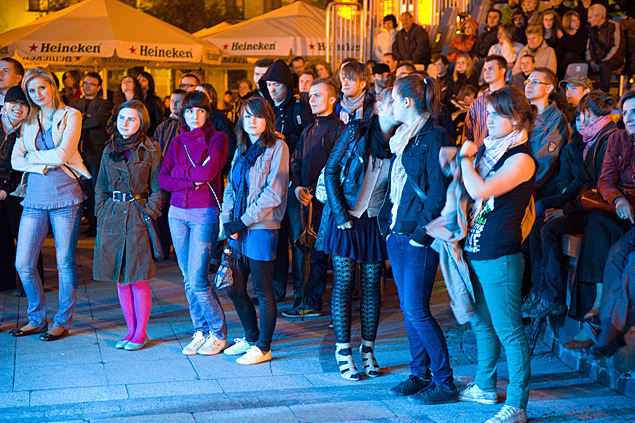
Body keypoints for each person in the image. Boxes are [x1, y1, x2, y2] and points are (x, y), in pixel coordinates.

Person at [459, 86, 536, 423]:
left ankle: (517, 404)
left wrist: (464, 159)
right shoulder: (490, 151)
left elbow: (480, 189)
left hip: (500, 254)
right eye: (487, 114)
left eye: (495, 115)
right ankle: (484, 385)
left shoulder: (521, 159)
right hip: (477, 249)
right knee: (481, 323)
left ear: (516, 119)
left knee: (510, 331)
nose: (487, 121)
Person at [378, 76, 456, 403]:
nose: (391, 106)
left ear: (408, 102)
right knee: (409, 310)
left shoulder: (435, 136)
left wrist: (420, 236)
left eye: (394, 100)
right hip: (397, 231)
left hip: (417, 237)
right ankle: (419, 373)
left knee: (417, 310)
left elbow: (438, 193)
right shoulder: (400, 138)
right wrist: (388, 226)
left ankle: (444, 382)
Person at [10, 67, 88, 341]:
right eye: (31, 91)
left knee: (64, 263)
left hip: (66, 195)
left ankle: (62, 321)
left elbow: (63, 154)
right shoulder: (29, 120)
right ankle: (36, 318)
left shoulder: (71, 115)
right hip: (34, 197)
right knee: (23, 264)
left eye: (42, 87)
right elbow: (15, 160)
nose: (37, 94)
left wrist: (32, 159)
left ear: (52, 86)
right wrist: (41, 163)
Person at [524, 91, 617, 319]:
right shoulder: (597, 137)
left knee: (549, 229)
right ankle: (539, 291)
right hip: (588, 206)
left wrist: (564, 210)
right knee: (540, 222)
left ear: (586, 113)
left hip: (602, 213)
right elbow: (577, 181)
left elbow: (596, 187)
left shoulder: (608, 139)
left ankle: (552, 297)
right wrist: (558, 205)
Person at [158, 91, 228, 355]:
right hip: (177, 213)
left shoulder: (218, 138)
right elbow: (164, 178)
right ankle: (200, 330)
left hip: (204, 213)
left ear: (207, 113)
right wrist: (190, 178)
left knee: (198, 279)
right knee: (188, 279)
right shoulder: (177, 141)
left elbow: (208, 173)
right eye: (189, 111)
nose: (194, 116)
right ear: (183, 114)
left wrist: (181, 173)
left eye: (200, 110)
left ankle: (218, 333)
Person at [220, 96, 289, 365]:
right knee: (234, 287)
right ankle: (251, 338)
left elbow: (274, 193)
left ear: (267, 119)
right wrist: (228, 220)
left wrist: (243, 221)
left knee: (262, 289)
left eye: (258, 116)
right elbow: (230, 187)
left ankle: (263, 347)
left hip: (262, 227)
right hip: (237, 228)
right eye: (247, 116)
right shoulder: (241, 148)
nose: (252, 121)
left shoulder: (278, 146)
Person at [93, 100, 163, 351]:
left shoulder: (151, 149)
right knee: (120, 279)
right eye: (122, 118)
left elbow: (158, 188)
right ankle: (130, 331)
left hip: (137, 216)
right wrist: (101, 211)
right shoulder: (109, 147)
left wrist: (149, 213)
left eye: (131, 119)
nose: (125, 123)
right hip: (112, 216)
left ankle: (140, 333)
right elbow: (100, 185)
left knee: (137, 277)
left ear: (141, 122)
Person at [284, 78, 344, 318]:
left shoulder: (339, 129)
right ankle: (302, 300)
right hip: (304, 199)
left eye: (318, 95)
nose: (312, 99)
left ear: (332, 99)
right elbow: (296, 160)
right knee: (302, 250)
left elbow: (335, 166)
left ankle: (312, 302)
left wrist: (313, 190)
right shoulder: (308, 129)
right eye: (310, 95)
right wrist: (298, 186)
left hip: (325, 202)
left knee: (318, 254)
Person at [258, 58, 314, 303]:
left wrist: (286, 140)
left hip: (294, 182)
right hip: (271, 183)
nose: (272, 89)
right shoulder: (265, 108)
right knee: (275, 239)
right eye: (269, 84)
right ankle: (276, 291)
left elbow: (309, 139)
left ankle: (303, 296)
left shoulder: (300, 107)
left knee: (298, 239)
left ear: (287, 85)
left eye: (277, 84)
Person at [584, 90, 635, 357]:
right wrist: (617, 199)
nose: (629, 118)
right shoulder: (618, 138)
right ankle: (608, 328)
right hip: (627, 213)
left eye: (634, 112)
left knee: (632, 263)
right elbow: (605, 180)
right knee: (615, 254)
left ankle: (609, 331)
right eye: (625, 113)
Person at [69, 72, 113, 237]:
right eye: (85, 83)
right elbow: (70, 120)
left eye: (92, 84)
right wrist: (86, 118)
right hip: (76, 151)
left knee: (96, 188)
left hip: (95, 151)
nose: (87, 86)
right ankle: (88, 220)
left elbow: (98, 121)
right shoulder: (74, 102)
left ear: (99, 87)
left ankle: (97, 223)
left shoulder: (104, 103)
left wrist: (80, 119)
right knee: (81, 188)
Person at [0, 86, 31, 293]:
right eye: (14, 102)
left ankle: (30, 284)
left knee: (24, 236)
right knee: (2, 237)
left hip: (17, 189)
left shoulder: (28, 131)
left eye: (23, 104)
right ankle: (5, 280)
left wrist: (7, 189)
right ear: (5, 104)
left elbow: (24, 166)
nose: (18, 107)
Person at [153, 88, 187, 259]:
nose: (173, 104)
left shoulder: (187, 126)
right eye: (172, 100)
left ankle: (178, 249)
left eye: (178, 101)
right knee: (163, 214)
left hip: (181, 177)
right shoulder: (163, 126)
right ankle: (163, 249)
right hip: (164, 176)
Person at [525, 67, 568, 199]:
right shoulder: (521, 114)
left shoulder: (556, 119)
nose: (529, 85)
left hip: (533, 188)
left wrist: (522, 183)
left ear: (548, 88)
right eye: (527, 81)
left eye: (535, 82)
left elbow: (545, 161)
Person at [464, 55, 508, 147]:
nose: (487, 72)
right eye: (485, 69)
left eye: (491, 69)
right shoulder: (477, 103)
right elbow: (468, 134)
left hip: (505, 152)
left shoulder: (512, 100)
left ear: (502, 71)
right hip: (481, 152)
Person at [586, 4, 624, 93]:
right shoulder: (592, 29)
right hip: (598, 59)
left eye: (590, 17)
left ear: (599, 16)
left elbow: (616, 46)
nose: (588, 20)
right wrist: (591, 61)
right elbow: (589, 47)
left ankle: (603, 94)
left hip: (613, 59)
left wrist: (603, 60)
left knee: (605, 65)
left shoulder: (614, 26)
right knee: (581, 66)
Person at [557, 10, 588, 81]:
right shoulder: (563, 33)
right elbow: (559, 51)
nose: (577, 22)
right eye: (574, 20)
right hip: (564, 62)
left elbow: (579, 50)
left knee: (570, 55)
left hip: (578, 58)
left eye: (578, 20)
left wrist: (563, 38)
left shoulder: (583, 32)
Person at [137, 71, 164, 137]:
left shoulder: (155, 100)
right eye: (138, 80)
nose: (139, 82)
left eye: (143, 80)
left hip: (150, 136)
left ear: (149, 85)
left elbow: (159, 121)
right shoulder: (133, 99)